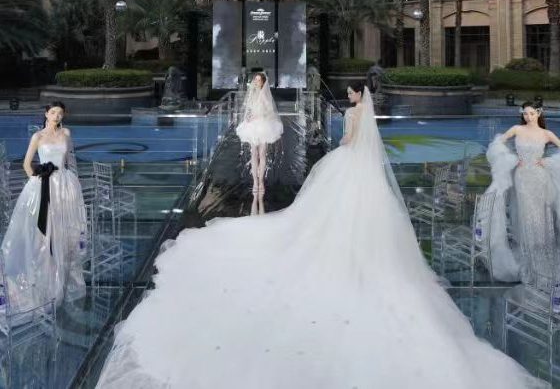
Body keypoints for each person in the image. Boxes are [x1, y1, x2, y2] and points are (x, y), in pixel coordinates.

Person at [97, 84, 547, 388]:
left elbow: (349, 142)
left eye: (351, 94)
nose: (349, 98)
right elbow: (362, 143)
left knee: (325, 209)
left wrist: (344, 147)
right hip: (366, 174)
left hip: (350, 165)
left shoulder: (352, 114)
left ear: (355, 97)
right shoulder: (363, 114)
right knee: (368, 221)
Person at [1, 101, 87, 312]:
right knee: (44, 233)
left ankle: (64, 280)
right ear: (46, 114)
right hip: (44, 186)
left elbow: (70, 160)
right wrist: (36, 181)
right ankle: (45, 280)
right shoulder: (37, 137)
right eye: (53, 112)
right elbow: (26, 164)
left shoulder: (66, 133)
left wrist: (74, 183)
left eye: (60, 113)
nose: (57, 116)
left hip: (65, 186)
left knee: (66, 232)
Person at [485, 101, 560, 283]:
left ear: (539, 113)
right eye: (525, 113)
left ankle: (542, 256)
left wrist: (548, 162)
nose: (528, 117)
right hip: (522, 178)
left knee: (541, 216)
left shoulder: (547, 134)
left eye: (532, 113)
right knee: (525, 215)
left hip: (540, 178)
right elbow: (496, 144)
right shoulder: (517, 129)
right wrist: (510, 159)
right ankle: (529, 257)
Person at [235, 72, 283, 199]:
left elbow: (270, 112)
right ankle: (255, 181)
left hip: (263, 125)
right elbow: (248, 110)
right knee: (254, 153)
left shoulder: (265, 95)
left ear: (262, 82)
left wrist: (259, 115)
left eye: (258, 80)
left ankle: (261, 181)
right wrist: (249, 117)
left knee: (262, 154)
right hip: (253, 125)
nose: (256, 82)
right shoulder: (252, 94)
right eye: (255, 80)